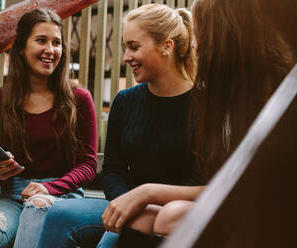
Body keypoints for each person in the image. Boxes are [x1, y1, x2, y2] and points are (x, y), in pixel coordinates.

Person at [113, 0, 295, 244]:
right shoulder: (227, 96)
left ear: (226, 36)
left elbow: (238, 185)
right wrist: (130, 201)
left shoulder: (264, 94)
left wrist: (147, 193)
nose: (193, 44)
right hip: (226, 202)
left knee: (170, 216)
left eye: (199, 34)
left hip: (270, 207)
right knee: (156, 218)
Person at [36, 4, 201, 248]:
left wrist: (145, 200)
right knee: (58, 215)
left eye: (134, 47)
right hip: (126, 205)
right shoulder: (125, 101)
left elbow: (205, 181)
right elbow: (112, 168)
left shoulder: (205, 106)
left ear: (167, 46)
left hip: (176, 214)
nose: (125, 57)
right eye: (125, 47)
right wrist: (127, 203)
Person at [0, 8, 97, 248]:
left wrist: (49, 187)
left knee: (34, 229)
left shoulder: (79, 98)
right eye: (41, 40)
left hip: (64, 197)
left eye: (57, 43)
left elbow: (89, 165)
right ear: (22, 47)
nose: (50, 50)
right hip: (14, 197)